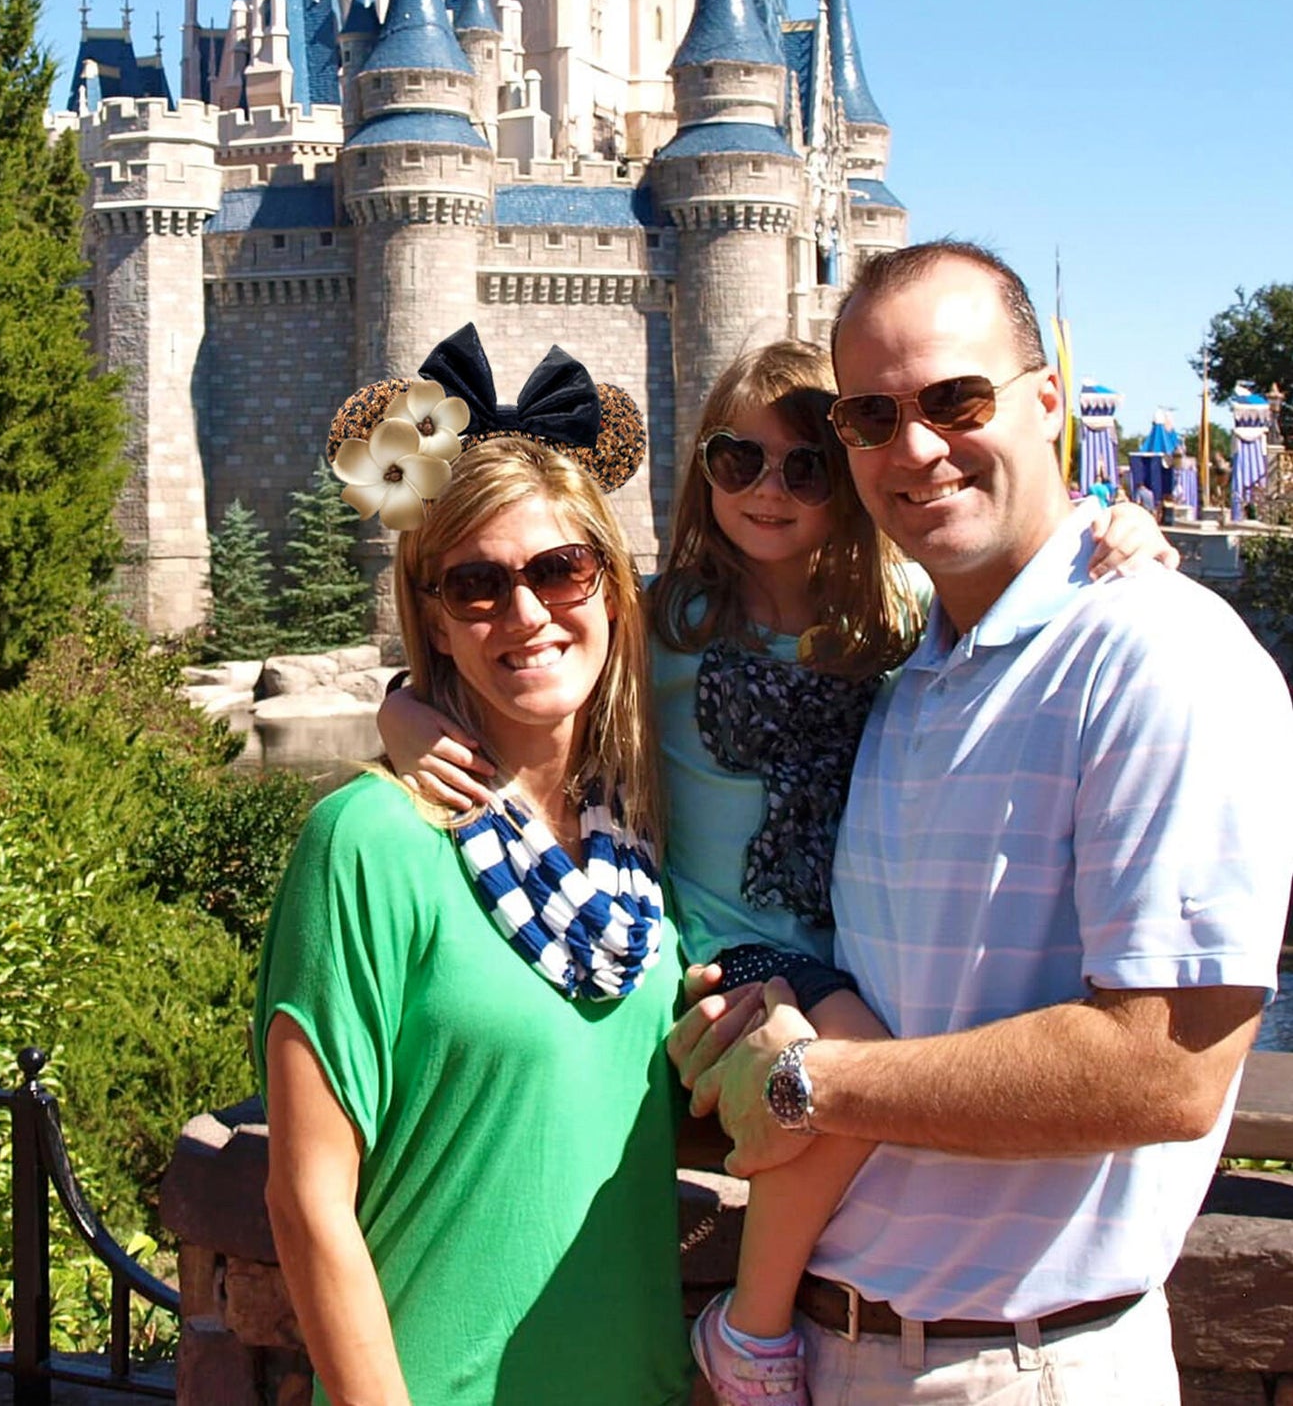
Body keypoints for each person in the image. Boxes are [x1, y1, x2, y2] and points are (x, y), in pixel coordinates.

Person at [380, 337, 1175, 1406]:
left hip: (847, 942)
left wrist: (1109, 526)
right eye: (735, 459)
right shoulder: (660, 624)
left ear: (846, 476)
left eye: (803, 464)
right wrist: (397, 704)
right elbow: (523, 646)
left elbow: (1011, 604)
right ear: (700, 468)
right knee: (848, 1060)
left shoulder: (888, 623)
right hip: (720, 948)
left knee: (863, 1050)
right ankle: (751, 1331)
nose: (767, 487)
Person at [669, 240, 1293, 1406]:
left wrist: (812, 1082)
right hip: (839, 1349)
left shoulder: (1157, 654)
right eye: (868, 416)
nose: (913, 447)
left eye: (955, 399)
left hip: (1022, 1363)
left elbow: (1163, 1069)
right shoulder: (908, 682)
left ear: (1046, 399)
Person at [256, 337, 694, 1406]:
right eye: (478, 584)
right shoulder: (371, 840)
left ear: (609, 584)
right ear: (436, 619)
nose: (528, 613)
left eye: (559, 568)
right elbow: (308, 1198)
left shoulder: (640, 839)